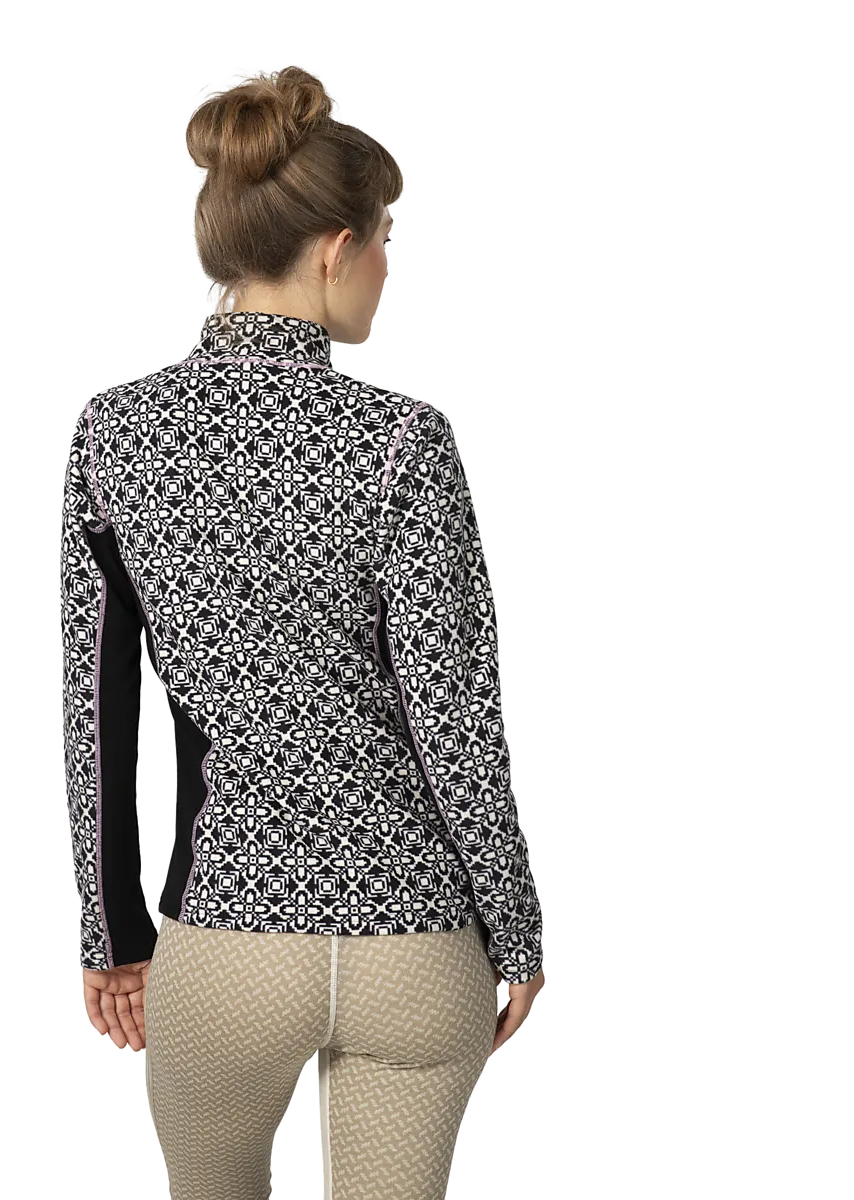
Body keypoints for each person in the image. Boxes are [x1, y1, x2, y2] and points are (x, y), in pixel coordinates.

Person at [61, 64, 545, 1200]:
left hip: (228, 939)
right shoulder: (404, 440)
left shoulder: (113, 433)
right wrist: (517, 931)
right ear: (335, 249)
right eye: (385, 243)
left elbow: (98, 706)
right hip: (413, 940)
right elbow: (454, 714)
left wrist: (112, 932)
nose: (386, 273)